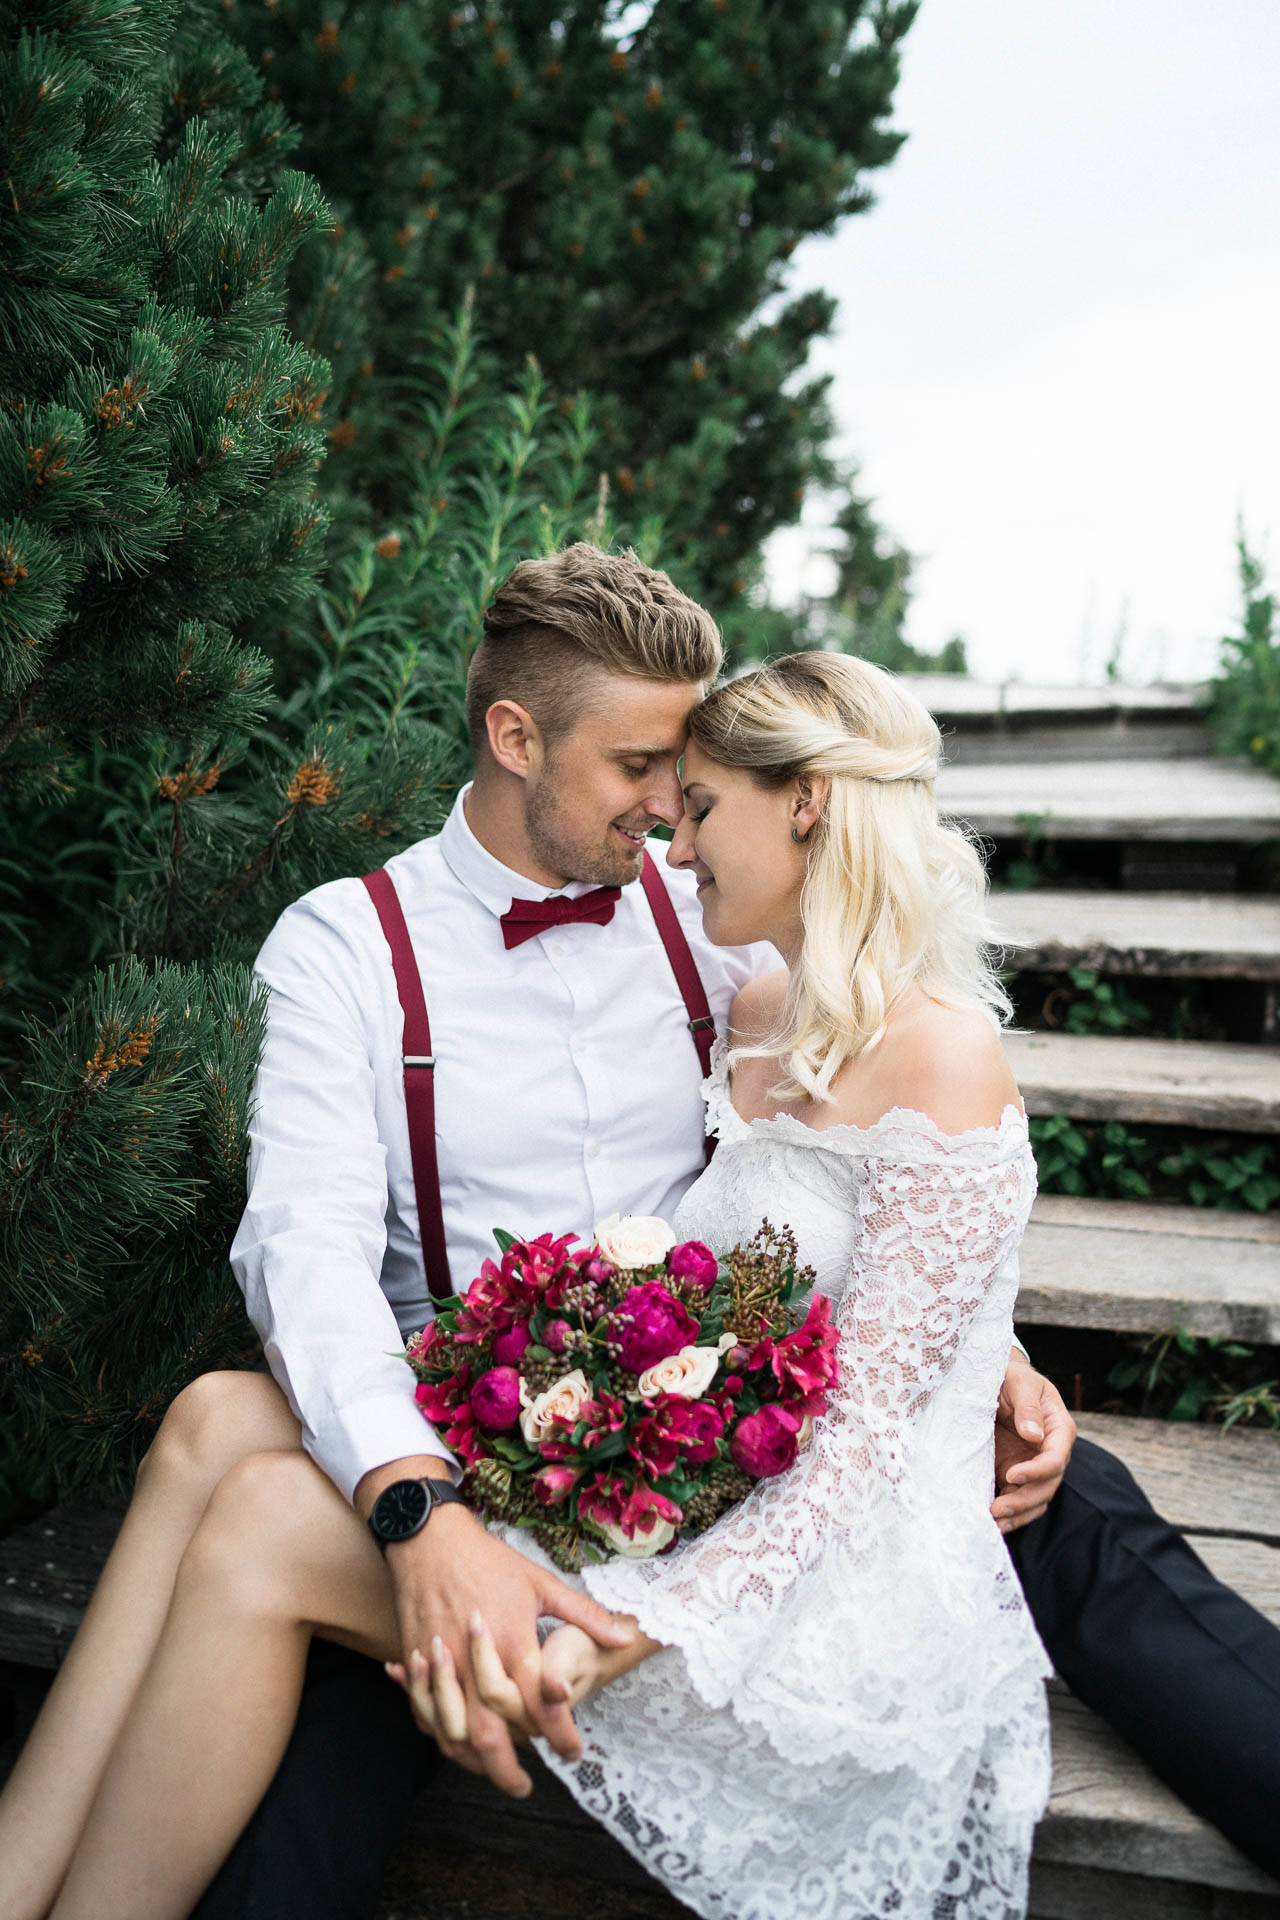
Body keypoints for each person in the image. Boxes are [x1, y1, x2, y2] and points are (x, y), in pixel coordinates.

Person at [0, 547, 1271, 1919]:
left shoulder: (720, 924)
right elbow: (300, 1257)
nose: (672, 809)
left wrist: (984, 1335)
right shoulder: (349, 948)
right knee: (215, 1432)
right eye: (643, 768)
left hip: (739, 1438)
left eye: (695, 780)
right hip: (468, 1429)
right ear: (513, 737)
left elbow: (894, 1152)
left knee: (1064, 1501)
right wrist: (420, 1508)